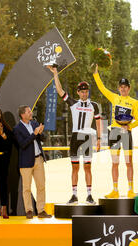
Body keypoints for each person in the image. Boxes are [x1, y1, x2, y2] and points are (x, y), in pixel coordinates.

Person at [48, 66, 101, 204]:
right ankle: (74, 195)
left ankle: (89, 195)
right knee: (75, 167)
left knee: (88, 167)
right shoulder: (73, 103)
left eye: (86, 92)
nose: (84, 94)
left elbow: (98, 122)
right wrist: (55, 74)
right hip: (76, 137)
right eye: (82, 92)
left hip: (88, 137)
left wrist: (100, 138)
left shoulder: (94, 105)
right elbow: (60, 91)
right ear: (78, 92)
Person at [93, 64, 138, 198]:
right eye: (121, 87)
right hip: (114, 132)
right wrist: (95, 74)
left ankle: (130, 190)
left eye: (125, 86)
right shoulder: (114, 97)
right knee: (115, 163)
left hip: (126, 133)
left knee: (128, 162)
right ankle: (115, 190)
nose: (123, 89)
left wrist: (129, 127)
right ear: (118, 88)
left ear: (129, 88)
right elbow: (102, 88)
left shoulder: (134, 102)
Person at [13, 105, 52, 219]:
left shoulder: (35, 124)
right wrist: (34, 134)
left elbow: (43, 139)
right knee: (26, 188)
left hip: (38, 159)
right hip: (25, 162)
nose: (31, 113)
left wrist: (40, 132)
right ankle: (29, 210)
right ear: (22, 114)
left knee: (41, 186)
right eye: (29, 111)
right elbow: (23, 144)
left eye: (31, 111)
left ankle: (41, 210)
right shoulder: (17, 129)